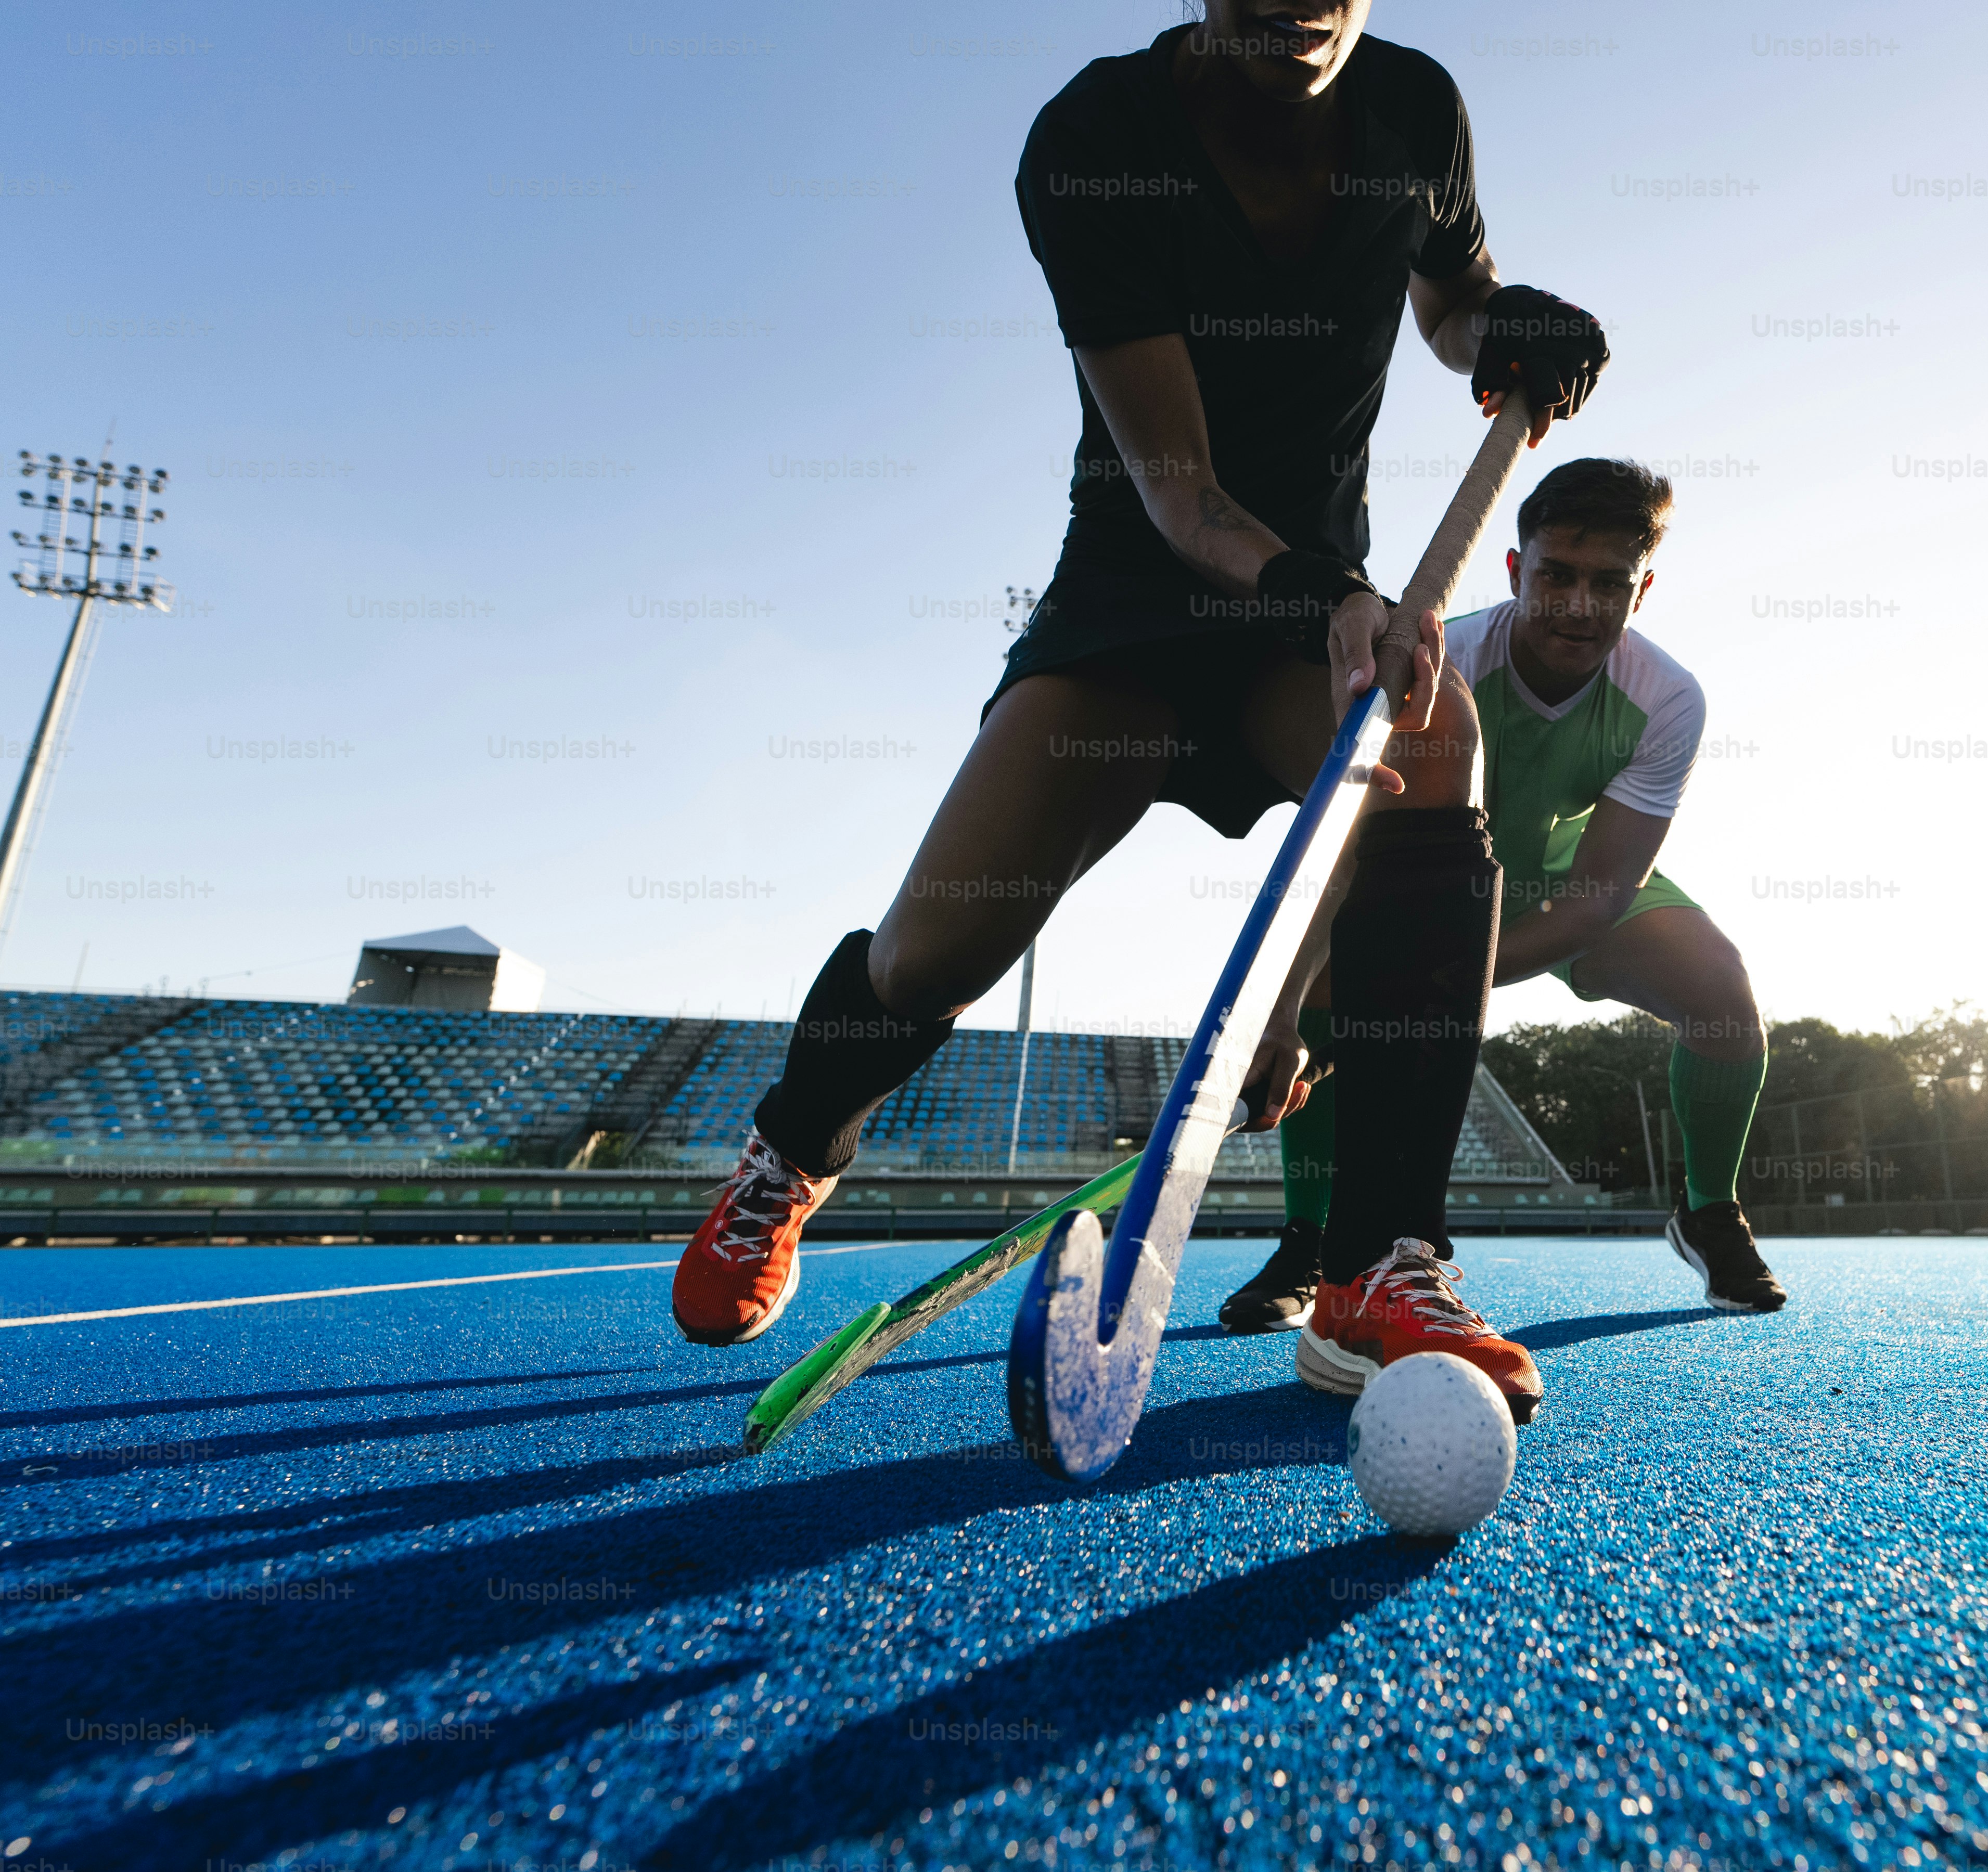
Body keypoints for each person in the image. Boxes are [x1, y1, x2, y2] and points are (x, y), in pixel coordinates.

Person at [666, 1, 1608, 1431]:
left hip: (1313, 629)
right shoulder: (1098, 141)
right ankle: (790, 1156)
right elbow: (1177, 492)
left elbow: (1453, 299)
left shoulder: (1418, 108)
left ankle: (1380, 1268)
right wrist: (1321, 594)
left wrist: (1508, 327)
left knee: (1435, 748)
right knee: (931, 955)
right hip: (1140, 610)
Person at [1221, 457, 1787, 1344]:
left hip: (1571, 886)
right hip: (1428, 878)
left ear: (1640, 592)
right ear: (1518, 572)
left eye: (1609, 584)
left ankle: (1711, 1213)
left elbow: (1600, 901)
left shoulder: (1670, 698)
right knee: (1333, 986)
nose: (1579, 605)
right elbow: (1344, 857)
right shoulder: (1441, 671)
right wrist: (1286, 1011)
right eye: (1557, 575)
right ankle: (1310, 1241)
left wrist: (1437, 986)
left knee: (1723, 996)